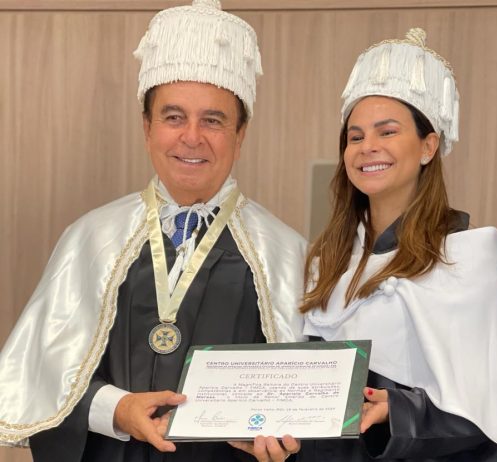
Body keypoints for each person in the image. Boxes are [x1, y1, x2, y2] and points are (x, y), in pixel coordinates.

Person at [0, 1, 305, 461]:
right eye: (173, 117)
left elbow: (303, 399)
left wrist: (282, 437)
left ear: (240, 134)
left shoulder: (286, 254)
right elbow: (39, 378)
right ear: (147, 127)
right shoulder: (90, 239)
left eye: (213, 120)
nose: (192, 137)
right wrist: (115, 410)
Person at [296, 28, 497, 461]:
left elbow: (488, 408)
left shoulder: (463, 257)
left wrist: (401, 411)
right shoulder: (326, 259)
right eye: (355, 137)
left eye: (387, 132)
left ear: (428, 146)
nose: (368, 148)